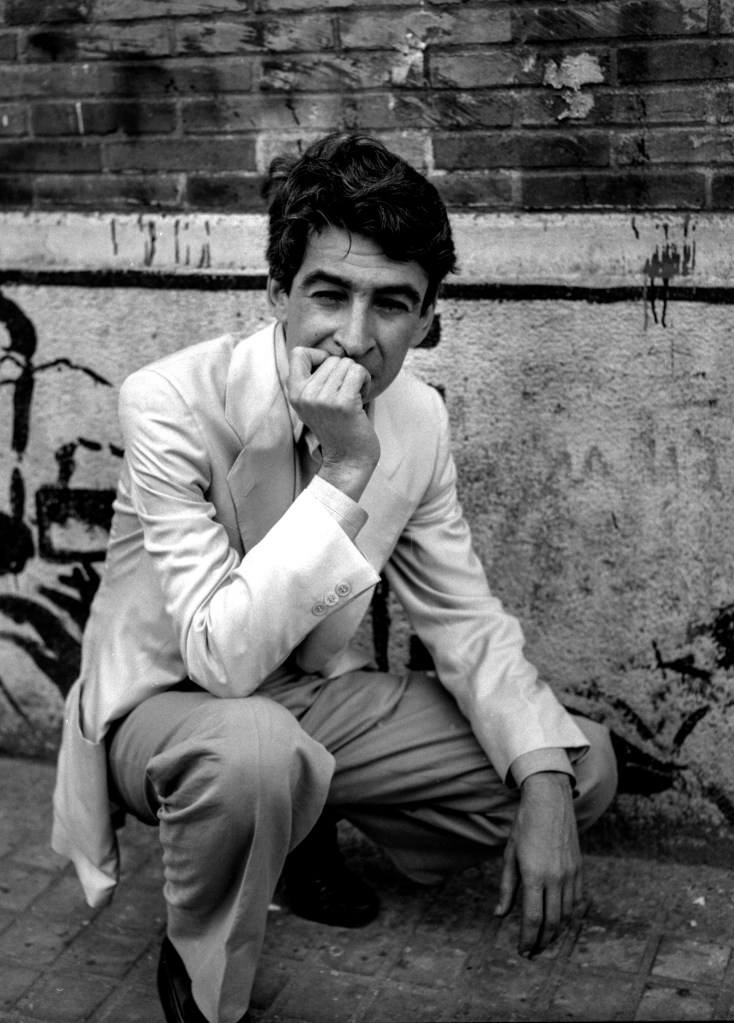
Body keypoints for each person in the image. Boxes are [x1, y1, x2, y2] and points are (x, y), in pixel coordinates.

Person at [51, 131, 617, 1023]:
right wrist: (347, 466)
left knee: (576, 762)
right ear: (277, 291)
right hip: (166, 704)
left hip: (311, 695)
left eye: (392, 303)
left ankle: (297, 825)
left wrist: (543, 781)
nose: (356, 338)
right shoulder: (169, 400)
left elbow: (463, 616)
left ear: (427, 317)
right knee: (253, 749)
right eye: (329, 294)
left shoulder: (420, 418)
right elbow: (218, 659)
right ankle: (202, 953)